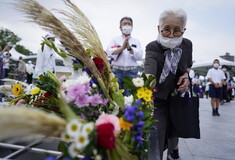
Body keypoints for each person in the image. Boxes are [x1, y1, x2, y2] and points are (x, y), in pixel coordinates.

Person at [144, 8, 192, 160]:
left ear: (184, 29)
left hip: (177, 96)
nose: (171, 34)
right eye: (166, 30)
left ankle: (173, 151)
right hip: (157, 98)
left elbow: (187, 66)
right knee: (156, 133)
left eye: (177, 30)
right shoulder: (152, 47)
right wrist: (146, 86)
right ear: (158, 28)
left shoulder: (187, 45)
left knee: (174, 129)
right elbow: (149, 73)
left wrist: (186, 76)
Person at [106, 17, 143, 96]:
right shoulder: (114, 40)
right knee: (116, 96)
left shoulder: (136, 41)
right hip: (116, 71)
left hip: (131, 73)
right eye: (124, 24)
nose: (127, 26)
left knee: (129, 97)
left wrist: (130, 48)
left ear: (132, 27)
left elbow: (139, 57)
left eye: (129, 24)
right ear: (120, 27)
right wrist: (122, 48)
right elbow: (109, 53)